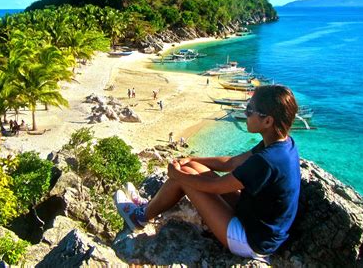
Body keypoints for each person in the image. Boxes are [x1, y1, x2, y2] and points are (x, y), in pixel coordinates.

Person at [114, 85, 300, 262]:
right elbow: (232, 162)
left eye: (250, 110)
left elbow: (215, 186)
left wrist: (178, 175)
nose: (245, 113)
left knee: (185, 178)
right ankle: (149, 208)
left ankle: (139, 217)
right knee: (191, 169)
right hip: (255, 219)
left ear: (267, 121)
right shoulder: (282, 143)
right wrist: (192, 160)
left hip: (251, 240)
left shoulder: (266, 161)